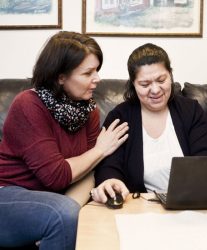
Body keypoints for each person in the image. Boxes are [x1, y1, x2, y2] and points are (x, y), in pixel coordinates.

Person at [0, 31, 128, 250]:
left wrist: (70, 214)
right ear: (60, 77)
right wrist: (100, 149)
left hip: (53, 200)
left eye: (97, 70)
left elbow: (89, 172)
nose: (97, 79)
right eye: (88, 73)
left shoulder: (89, 109)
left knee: (67, 214)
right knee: (62, 214)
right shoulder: (28, 105)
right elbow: (56, 176)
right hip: (8, 193)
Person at [91, 43, 207, 204]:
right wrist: (110, 181)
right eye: (145, 84)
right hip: (139, 206)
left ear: (170, 75)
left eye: (161, 80)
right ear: (133, 84)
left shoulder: (191, 111)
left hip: (189, 202)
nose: (156, 90)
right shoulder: (120, 116)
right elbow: (109, 164)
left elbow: (205, 158)